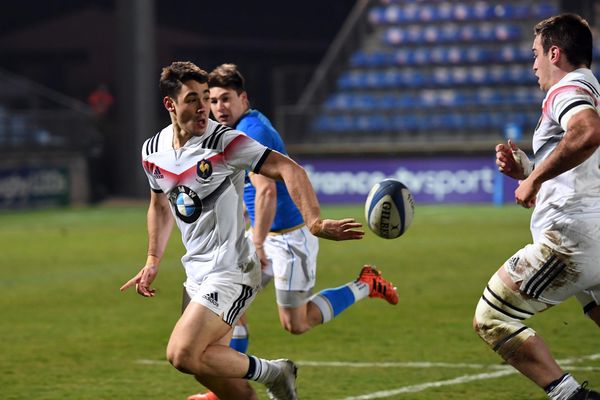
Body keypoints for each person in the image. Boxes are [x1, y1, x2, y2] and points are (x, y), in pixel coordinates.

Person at [120, 61, 365, 400]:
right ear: (170, 105)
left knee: (181, 354)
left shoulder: (224, 141)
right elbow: (160, 206)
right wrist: (152, 259)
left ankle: (277, 372)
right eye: (193, 99)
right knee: (220, 381)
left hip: (232, 269)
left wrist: (314, 222)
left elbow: (287, 168)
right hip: (196, 273)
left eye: (206, 97)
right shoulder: (152, 151)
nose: (204, 106)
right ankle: (269, 381)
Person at [184, 63, 399, 400]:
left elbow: (267, 191)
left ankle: (365, 284)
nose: (218, 107)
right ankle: (226, 390)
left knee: (295, 323)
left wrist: (257, 242)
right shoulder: (235, 129)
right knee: (229, 307)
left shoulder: (252, 131)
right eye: (212, 100)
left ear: (243, 98)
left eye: (226, 99)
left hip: (287, 239)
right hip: (259, 235)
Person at [473, 13, 600, 400]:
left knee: (492, 318)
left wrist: (533, 179)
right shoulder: (593, 87)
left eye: (536, 54)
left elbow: (588, 132)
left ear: (555, 53)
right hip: (592, 229)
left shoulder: (566, 90)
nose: (533, 65)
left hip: (570, 238)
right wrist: (526, 170)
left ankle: (570, 397)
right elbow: (581, 169)